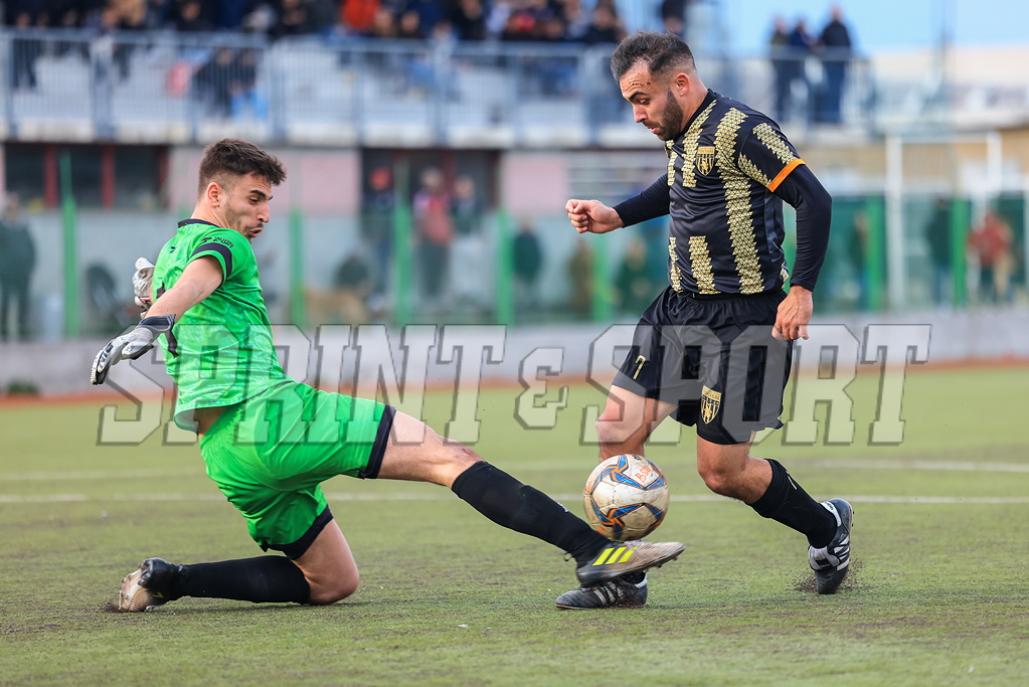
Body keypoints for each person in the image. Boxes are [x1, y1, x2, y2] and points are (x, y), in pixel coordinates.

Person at [89, 139, 683, 612]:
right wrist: (155, 319)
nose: (264, 213)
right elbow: (204, 275)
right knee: (449, 457)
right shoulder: (225, 244)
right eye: (254, 198)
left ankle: (169, 580)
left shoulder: (168, 254)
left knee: (330, 581)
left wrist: (152, 306)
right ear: (215, 192)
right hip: (273, 418)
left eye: (268, 200)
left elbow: (188, 286)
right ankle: (593, 551)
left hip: (225, 457)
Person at [561, 33, 852, 609]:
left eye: (642, 99)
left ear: (681, 83)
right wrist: (616, 215)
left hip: (746, 322)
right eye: (631, 102)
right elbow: (681, 185)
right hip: (679, 309)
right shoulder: (682, 133)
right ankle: (626, 576)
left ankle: (826, 526)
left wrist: (801, 289)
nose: (637, 114)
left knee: (722, 473)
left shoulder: (744, 130)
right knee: (616, 432)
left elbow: (814, 200)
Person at [0, 194, 36, 341]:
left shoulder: (23, 229)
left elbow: (32, 250)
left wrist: (29, 266)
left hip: (22, 272)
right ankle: (4, 333)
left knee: (23, 302)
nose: (13, 212)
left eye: (16, 209)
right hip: (6, 273)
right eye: (11, 209)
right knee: (6, 302)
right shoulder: (2, 229)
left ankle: (23, 334)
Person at [816, 5, 853, 124]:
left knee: (839, 92)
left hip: (841, 66)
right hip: (830, 66)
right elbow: (820, 43)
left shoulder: (844, 28)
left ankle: (836, 117)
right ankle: (829, 117)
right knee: (830, 91)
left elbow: (849, 44)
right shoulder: (827, 28)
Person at [968, 209, 1014, 304]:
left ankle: (999, 298)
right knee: (986, 282)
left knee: (998, 282)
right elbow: (972, 242)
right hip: (985, 262)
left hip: (995, 262)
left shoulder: (998, 231)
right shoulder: (982, 232)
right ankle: (988, 298)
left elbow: (1005, 245)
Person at [925, 197, 952, 306]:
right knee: (946, 278)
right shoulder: (951, 217)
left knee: (939, 278)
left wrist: (935, 247)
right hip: (949, 253)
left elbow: (928, 235)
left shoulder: (934, 218)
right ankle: (947, 300)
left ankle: (939, 301)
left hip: (939, 254)